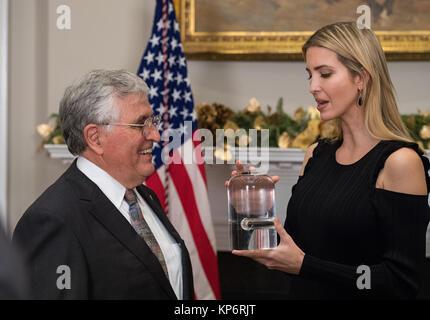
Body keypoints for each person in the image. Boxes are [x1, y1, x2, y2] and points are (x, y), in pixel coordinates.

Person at [232, 22, 430, 299]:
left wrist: (306, 266)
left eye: (325, 74)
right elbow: (291, 252)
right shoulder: (315, 154)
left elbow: (401, 282)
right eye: (309, 75)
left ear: (361, 77)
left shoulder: (400, 162)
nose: (313, 87)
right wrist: (253, 208)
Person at [12, 69, 194, 299]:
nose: (156, 135)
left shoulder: (145, 197)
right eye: (141, 125)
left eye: (152, 121)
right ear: (95, 138)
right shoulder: (52, 220)